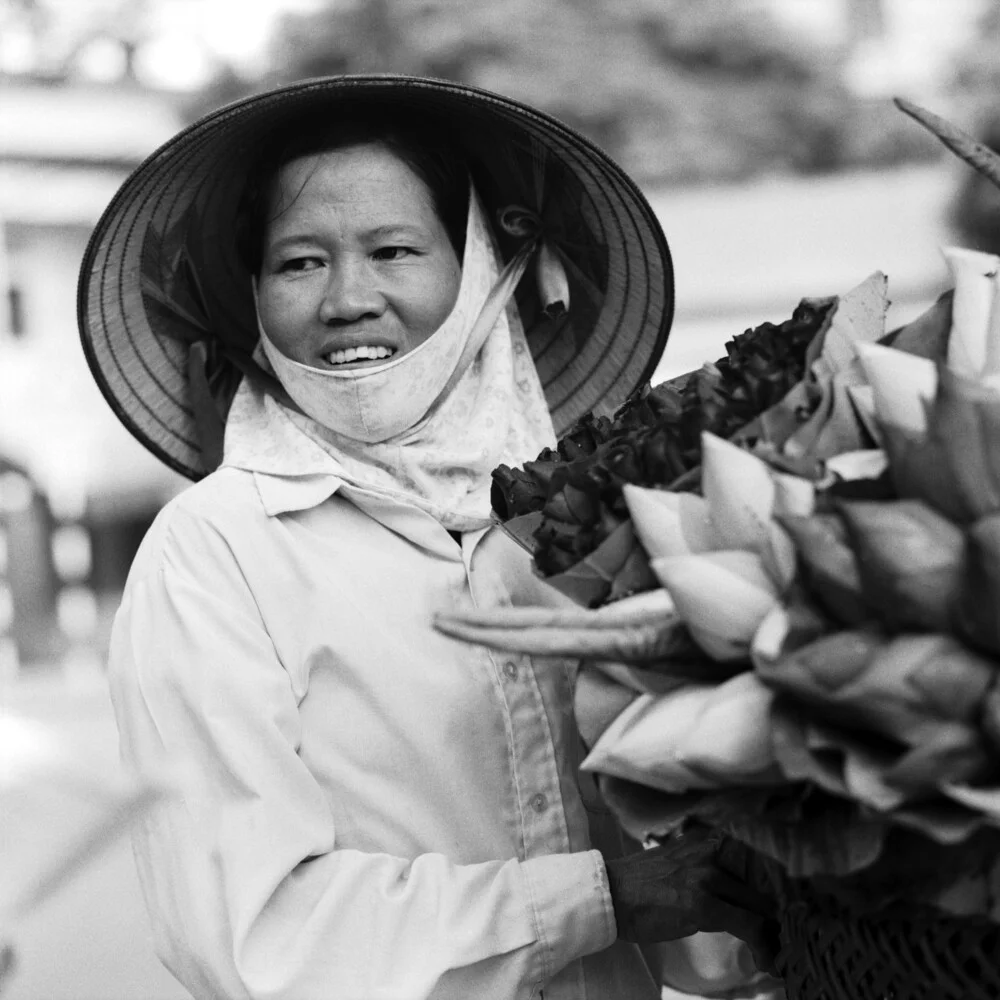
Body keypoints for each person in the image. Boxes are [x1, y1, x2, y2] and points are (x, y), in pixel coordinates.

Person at [78, 76, 775, 999]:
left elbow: (700, 921)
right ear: (252, 294)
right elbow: (251, 937)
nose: (346, 300)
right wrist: (594, 900)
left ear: (481, 266)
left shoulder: (583, 527)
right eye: (298, 262)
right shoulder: (215, 551)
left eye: (394, 249)